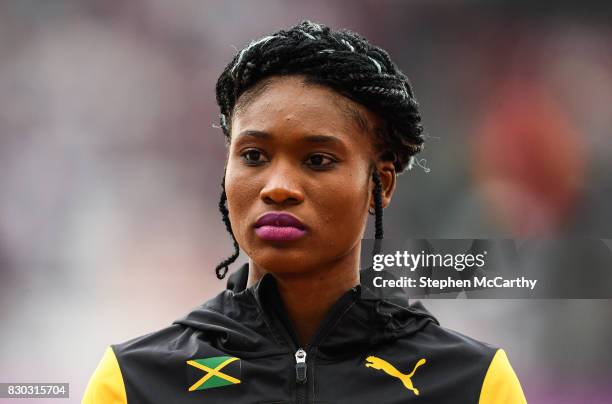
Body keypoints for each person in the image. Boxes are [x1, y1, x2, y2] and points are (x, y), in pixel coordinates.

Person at [83, 20, 526, 403]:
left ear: (381, 184)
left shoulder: (474, 384)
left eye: (317, 160)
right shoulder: (131, 384)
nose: (278, 188)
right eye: (254, 156)